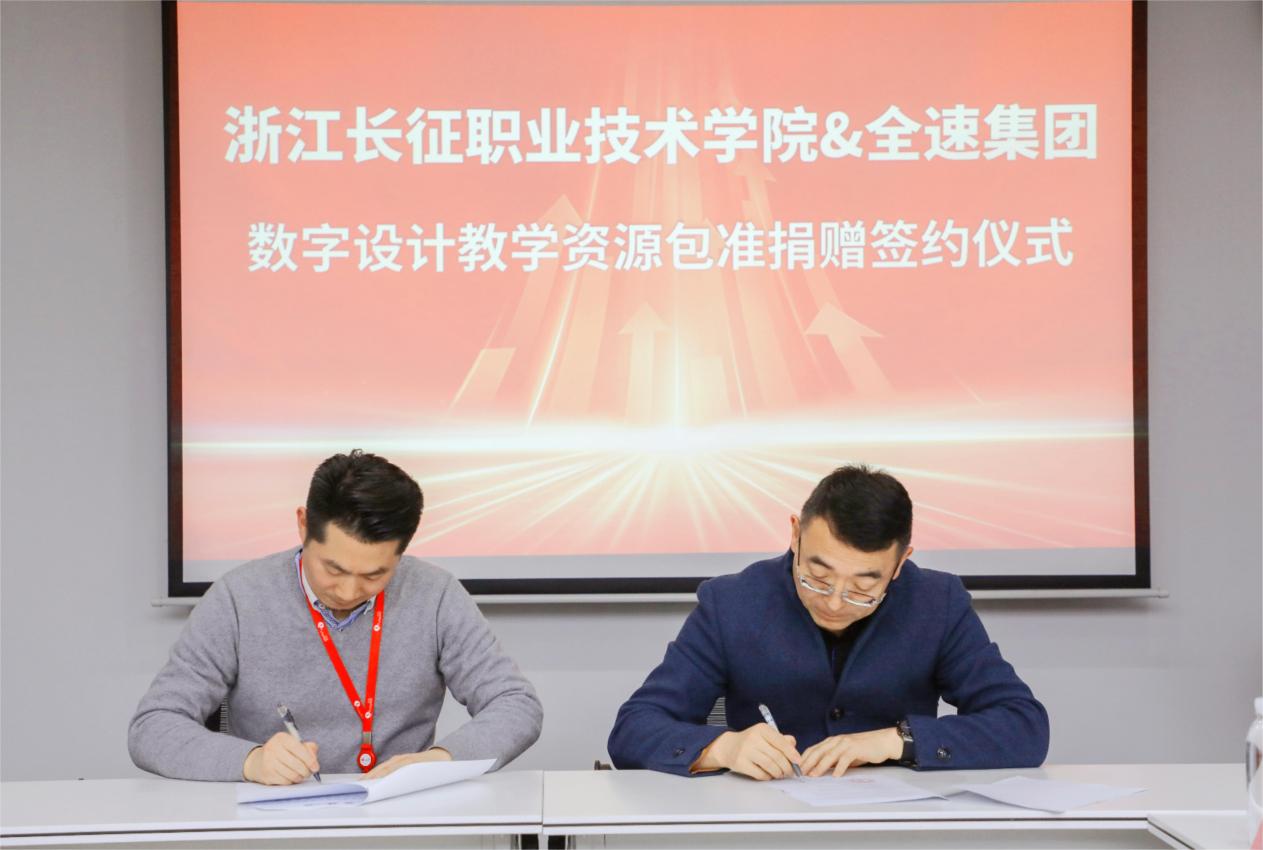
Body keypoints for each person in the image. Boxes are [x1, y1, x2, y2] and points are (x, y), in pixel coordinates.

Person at [608, 464, 1049, 779]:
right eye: (817, 577)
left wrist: (895, 741)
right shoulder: (732, 603)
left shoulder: (937, 603)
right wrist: (723, 747)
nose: (835, 602)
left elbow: (1023, 725)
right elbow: (633, 728)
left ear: (900, 564)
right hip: (763, 826)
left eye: (863, 586)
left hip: (894, 829)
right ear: (795, 534)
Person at [130, 450, 543, 784]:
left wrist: (440, 761)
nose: (347, 592)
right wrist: (251, 761)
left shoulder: (435, 595)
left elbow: (515, 705)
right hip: (270, 819)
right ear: (303, 525)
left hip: (398, 818)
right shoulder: (238, 598)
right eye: (333, 568)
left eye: (374, 575)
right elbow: (153, 726)